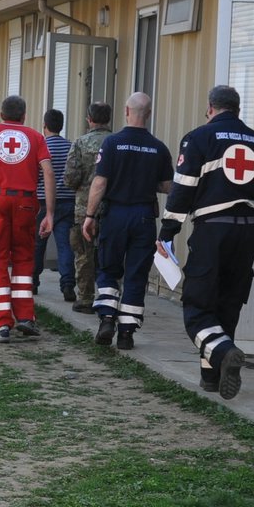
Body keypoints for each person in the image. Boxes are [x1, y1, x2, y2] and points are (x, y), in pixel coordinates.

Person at [160, 84, 254, 399]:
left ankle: (223, 352)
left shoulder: (199, 138)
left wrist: (168, 231)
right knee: (228, 300)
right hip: (249, 231)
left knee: (198, 304)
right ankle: (212, 377)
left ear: (210, 108)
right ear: (238, 109)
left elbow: (183, 188)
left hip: (213, 228)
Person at [82, 92, 173, 351]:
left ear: (126, 111)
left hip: (115, 215)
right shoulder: (159, 148)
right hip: (144, 217)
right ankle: (126, 334)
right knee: (136, 274)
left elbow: (100, 183)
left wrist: (89, 216)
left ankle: (107, 320)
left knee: (108, 268)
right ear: (149, 114)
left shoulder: (112, 144)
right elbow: (168, 186)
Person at [0, 94, 53, 342]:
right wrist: (50, 212)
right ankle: (26, 317)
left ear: (2, 114)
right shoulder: (36, 137)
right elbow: (48, 171)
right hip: (27, 202)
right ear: (24, 115)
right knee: (24, 259)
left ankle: (2, 323)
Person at [63, 101, 114, 312]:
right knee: (110, 254)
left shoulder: (80, 143)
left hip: (84, 209)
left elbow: (70, 178)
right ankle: (109, 296)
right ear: (109, 119)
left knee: (83, 254)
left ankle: (85, 298)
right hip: (112, 208)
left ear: (89, 119)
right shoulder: (116, 141)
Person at [32, 108, 76, 302]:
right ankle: (67, 284)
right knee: (65, 245)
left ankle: (32, 281)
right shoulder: (71, 147)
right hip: (67, 202)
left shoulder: (40, 147)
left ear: (45, 126)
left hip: (41, 202)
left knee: (37, 243)